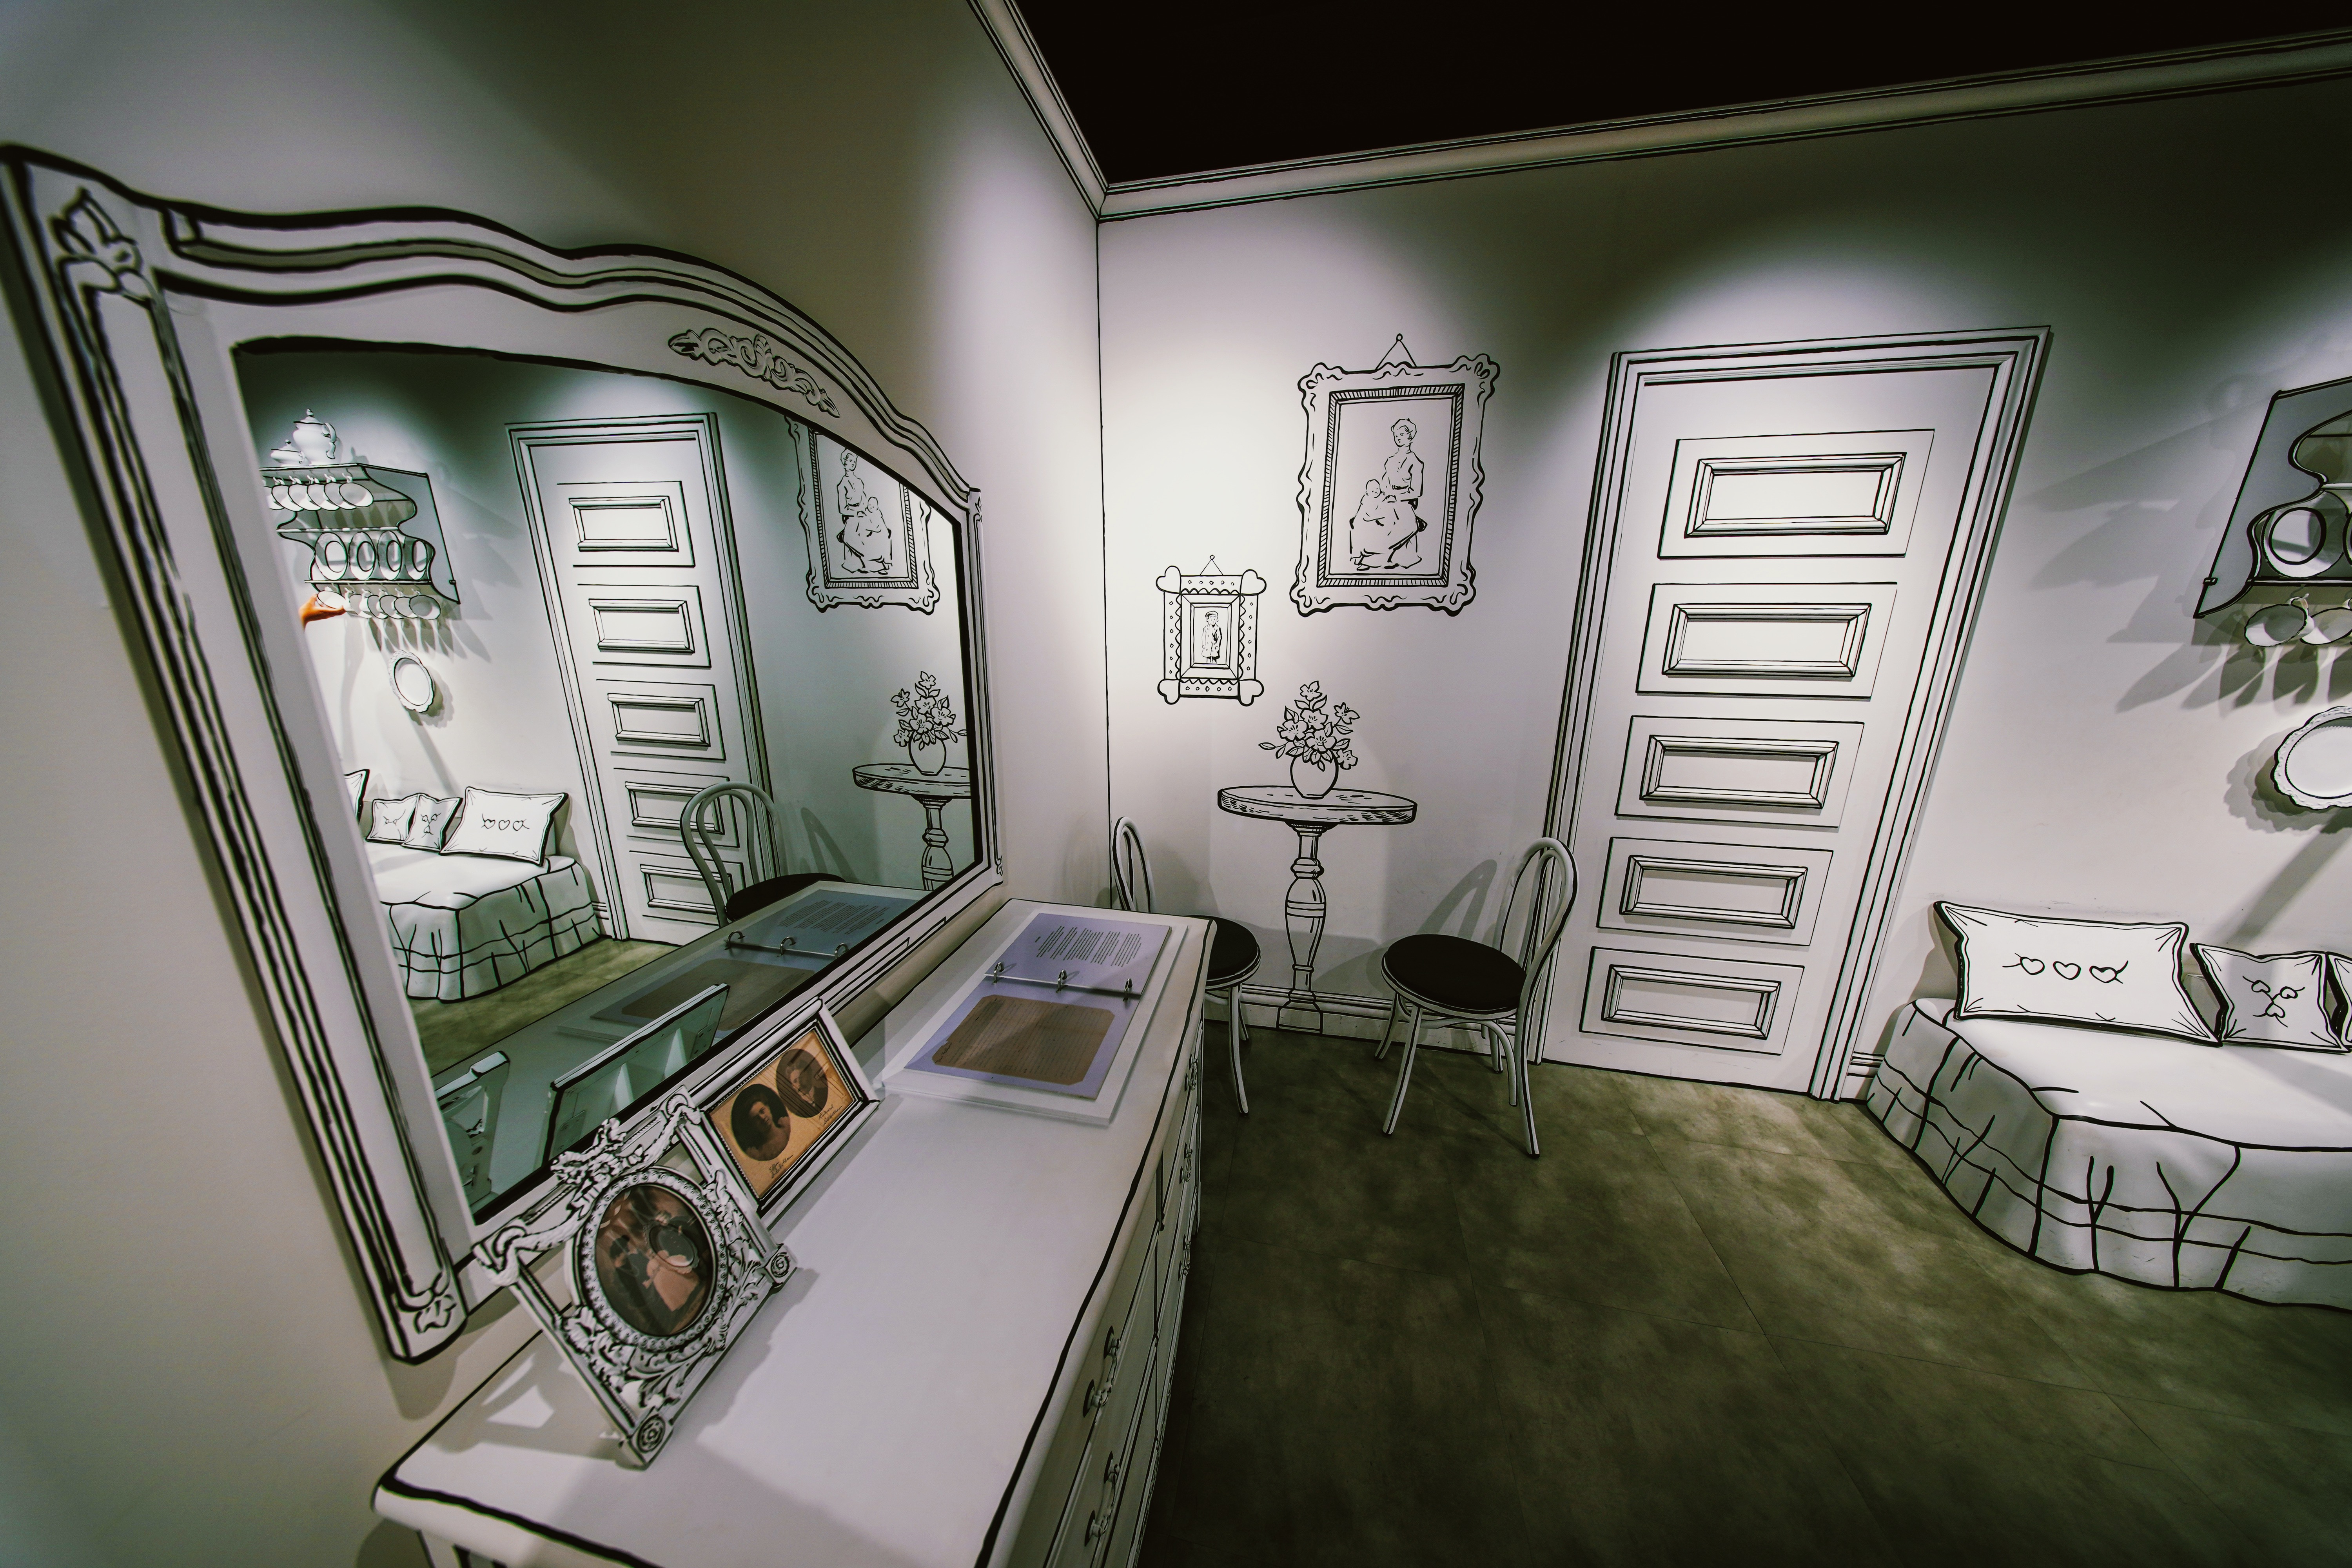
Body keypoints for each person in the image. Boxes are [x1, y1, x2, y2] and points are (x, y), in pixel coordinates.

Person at [1347, 418, 1428, 570]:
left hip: (1403, 503)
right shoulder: (1391, 460)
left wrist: (1396, 497)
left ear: (1410, 437)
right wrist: (1378, 495)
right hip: (1386, 500)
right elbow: (1385, 483)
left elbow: (1416, 492)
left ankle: (1378, 559)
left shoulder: (1415, 462)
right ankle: (1362, 555)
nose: (1398, 438)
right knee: (1363, 517)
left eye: (1402, 435)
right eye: (1396, 435)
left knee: (1393, 525)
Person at [834, 451, 893, 573]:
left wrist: (868, 512)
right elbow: (842, 509)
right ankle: (873, 564)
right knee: (856, 537)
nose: (853, 464)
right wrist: (857, 513)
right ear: (845, 463)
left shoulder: (859, 482)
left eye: (854, 461)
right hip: (852, 517)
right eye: (850, 461)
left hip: (863, 515)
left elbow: (864, 501)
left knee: (880, 529)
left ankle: (881, 562)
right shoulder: (842, 485)